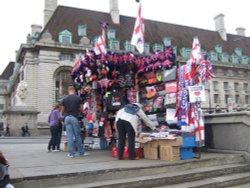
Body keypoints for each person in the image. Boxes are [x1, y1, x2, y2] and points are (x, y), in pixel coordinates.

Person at [61, 86, 86, 158]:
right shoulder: (78, 98)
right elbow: (82, 109)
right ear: (74, 91)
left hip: (67, 118)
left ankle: (71, 154)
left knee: (69, 136)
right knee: (77, 135)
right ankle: (81, 152)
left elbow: (62, 110)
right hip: (74, 117)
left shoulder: (64, 99)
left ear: (68, 91)